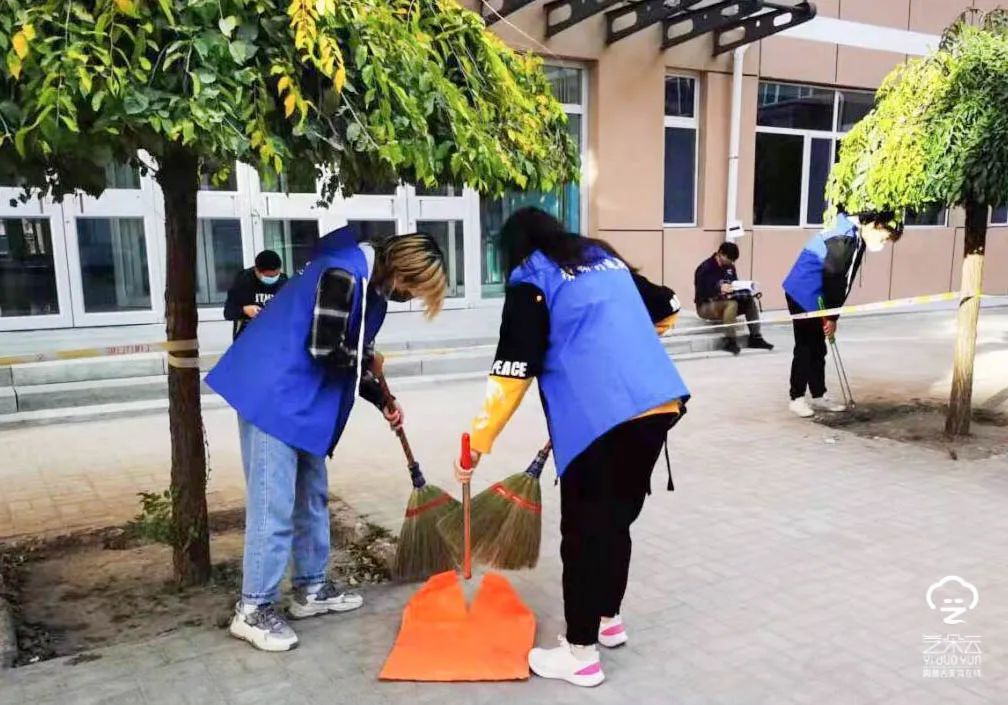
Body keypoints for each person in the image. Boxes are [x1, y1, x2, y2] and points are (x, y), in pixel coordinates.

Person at [454, 208, 690, 688]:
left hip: (601, 417)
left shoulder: (530, 277)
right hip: (658, 404)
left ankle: (580, 654)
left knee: (583, 534)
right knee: (615, 521)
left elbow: (513, 369)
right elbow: (667, 307)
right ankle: (609, 619)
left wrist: (479, 440)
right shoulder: (601, 258)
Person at [206, 226, 447, 652]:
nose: (408, 296)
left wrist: (380, 398)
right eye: (413, 287)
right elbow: (325, 348)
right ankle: (253, 608)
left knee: (312, 497)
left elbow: (354, 352)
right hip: (273, 393)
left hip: (304, 403)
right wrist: (367, 363)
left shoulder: (372, 289)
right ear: (401, 270)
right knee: (273, 504)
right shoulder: (343, 273)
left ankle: (311, 588)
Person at [782, 210, 902, 418]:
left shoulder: (855, 234)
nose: (882, 244)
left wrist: (831, 314)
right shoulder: (843, 238)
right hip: (804, 291)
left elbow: (846, 279)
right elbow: (836, 280)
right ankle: (796, 397)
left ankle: (819, 394)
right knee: (806, 346)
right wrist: (831, 317)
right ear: (875, 225)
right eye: (883, 237)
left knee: (818, 347)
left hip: (819, 291)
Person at [694, 241, 773, 354]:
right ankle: (730, 340)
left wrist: (740, 289)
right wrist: (718, 288)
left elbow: (734, 283)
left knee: (749, 300)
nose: (731, 262)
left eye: (733, 260)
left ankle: (755, 337)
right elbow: (702, 293)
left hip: (726, 300)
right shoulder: (705, 268)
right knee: (732, 304)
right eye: (729, 259)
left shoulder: (730, 267)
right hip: (706, 306)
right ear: (720, 253)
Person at [223, 250, 289, 339]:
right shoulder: (243, 281)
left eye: (276, 275)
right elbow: (228, 312)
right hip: (247, 337)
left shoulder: (283, 281)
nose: (273, 278)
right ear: (256, 270)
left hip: (274, 336)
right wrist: (244, 310)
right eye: (269, 277)